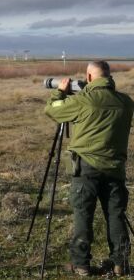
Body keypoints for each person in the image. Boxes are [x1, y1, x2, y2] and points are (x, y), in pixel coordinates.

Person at [45, 60, 134, 277]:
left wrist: (59, 93)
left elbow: (53, 111)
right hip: (115, 168)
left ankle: (81, 264)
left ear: (90, 77)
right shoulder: (126, 102)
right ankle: (120, 263)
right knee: (116, 215)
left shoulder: (85, 100)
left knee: (83, 215)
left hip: (85, 167)